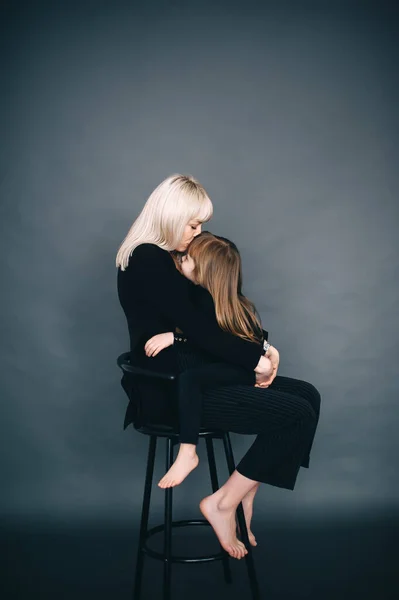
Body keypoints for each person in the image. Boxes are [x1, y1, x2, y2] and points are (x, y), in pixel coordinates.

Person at [116, 174, 320, 560]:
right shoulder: (148, 258)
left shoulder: (168, 260)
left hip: (197, 372)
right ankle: (224, 502)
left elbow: (215, 316)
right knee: (295, 414)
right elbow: (198, 328)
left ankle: (245, 490)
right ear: (171, 216)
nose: (197, 234)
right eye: (193, 224)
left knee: (308, 396)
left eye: (201, 226)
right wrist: (256, 361)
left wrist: (264, 348)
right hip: (173, 388)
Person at [144, 232, 274, 489]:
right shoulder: (195, 296)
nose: (182, 260)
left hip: (238, 371)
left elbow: (219, 340)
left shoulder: (218, 302)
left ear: (204, 271)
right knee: (193, 378)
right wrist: (176, 337)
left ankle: (188, 451)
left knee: (193, 378)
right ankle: (191, 454)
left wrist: (267, 351)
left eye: (188, 258)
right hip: (231, 369)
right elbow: (206, 340)